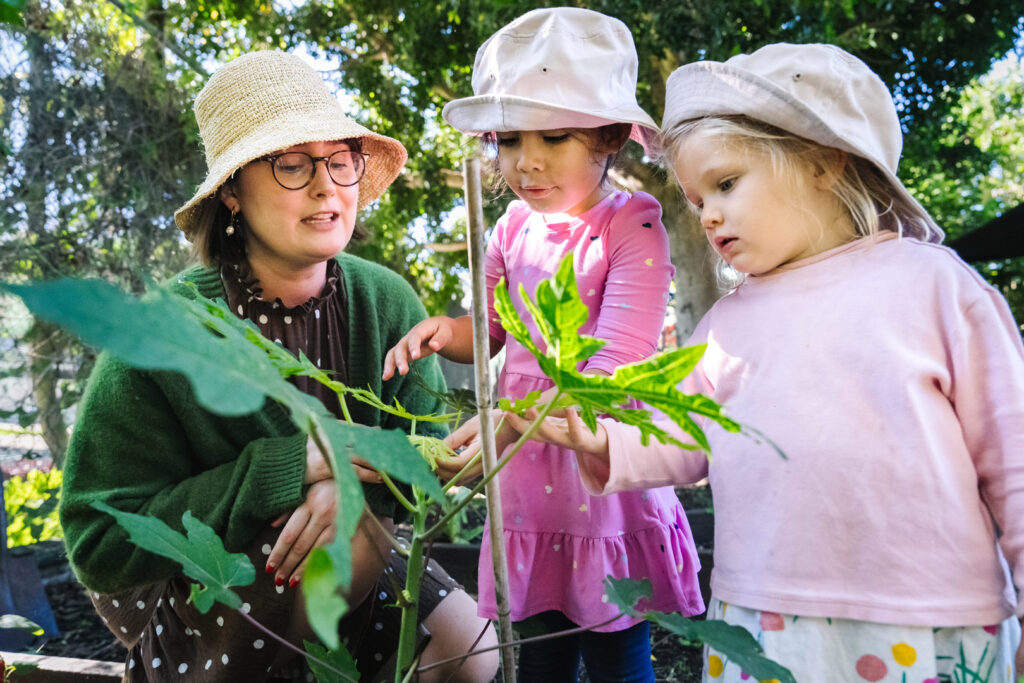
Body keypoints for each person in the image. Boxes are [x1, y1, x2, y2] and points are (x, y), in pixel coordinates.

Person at [504, 42, 1024, 682]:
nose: (710, 214)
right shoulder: (728, 320)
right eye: (697, 201)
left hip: (928, 613)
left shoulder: (935, 286)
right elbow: (687, 433)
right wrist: (604, 439)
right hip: (758, 615)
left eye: (726, 183)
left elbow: (1013, 456)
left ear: (825, 164)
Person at [58, 50, 498, 683]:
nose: (325, 186)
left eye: (338, 160)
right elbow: (97, 541)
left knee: (473, 652)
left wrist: (359, 479)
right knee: (345, 540)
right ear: (232, 191)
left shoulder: (385, 301)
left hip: (362, 544)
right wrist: (291, 468)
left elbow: (422, 446)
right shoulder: (163, 337)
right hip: (191, 581)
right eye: (291, 164)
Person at [382, 8, 704, 683]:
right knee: (541, 661)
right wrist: (448, 332)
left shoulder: (632, 223)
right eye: (507, 138)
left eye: (554, 136)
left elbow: (615, 363)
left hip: (602, 471)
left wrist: (510, 421)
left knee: (618, 660)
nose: (524, 160)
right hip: (529, 489)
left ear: (610, 136)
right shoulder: (509, 230)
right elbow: (492, 328)